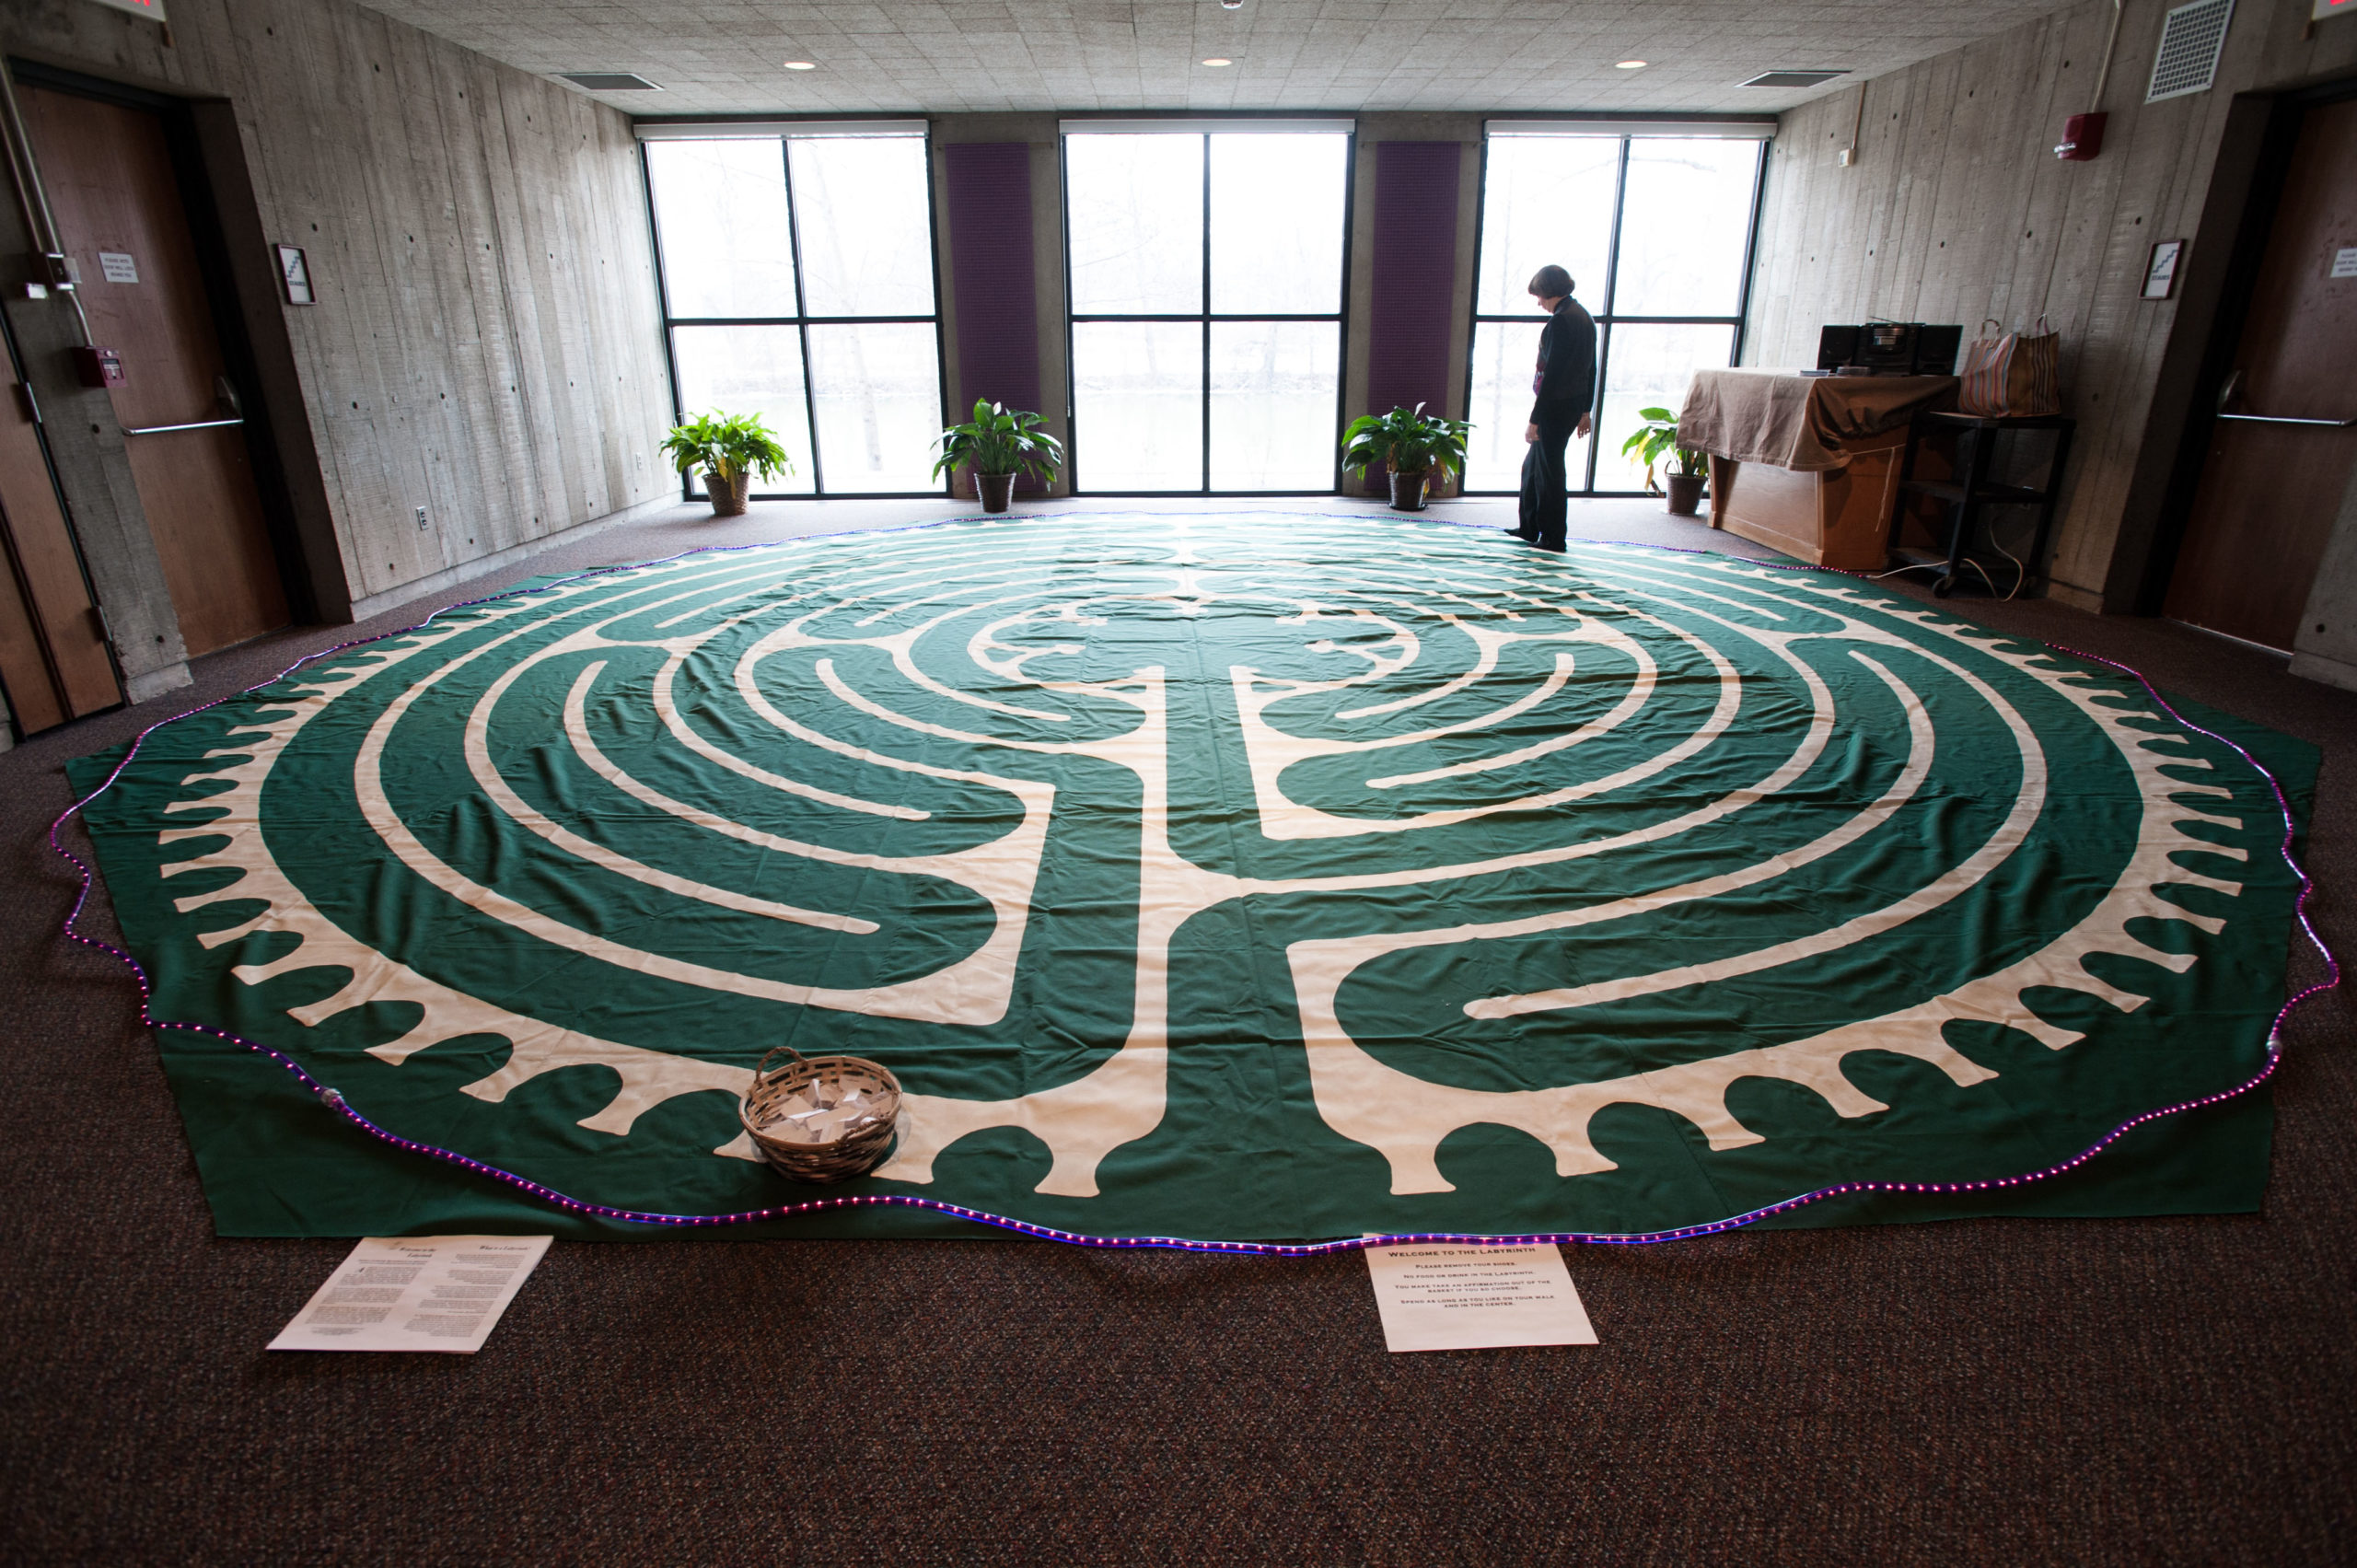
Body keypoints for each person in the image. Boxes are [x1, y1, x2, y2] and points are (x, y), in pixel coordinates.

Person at [1512, 264, 1596, 552]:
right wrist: (1586, 409)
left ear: (1549, 292)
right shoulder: (1583, 316)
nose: (1538, 302)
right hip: (1571, 404)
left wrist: (1534, 420)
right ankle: (1529, 527)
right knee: (1532, 467)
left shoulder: (1562, 321)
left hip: (1556, 406)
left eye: (1539, 296)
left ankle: (1553, 537)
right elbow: (1592, 368)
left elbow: (1553, 374)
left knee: (1550, 473)